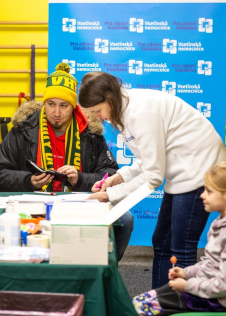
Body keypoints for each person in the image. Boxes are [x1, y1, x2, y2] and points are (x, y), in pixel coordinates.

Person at [78, 71, 226, 288]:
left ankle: (180, 307)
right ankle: (159, 301)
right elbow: (149, 157)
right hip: (183, 170)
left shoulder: (141, 112)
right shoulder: (124, 109)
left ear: (109, 99)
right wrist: (119, 177)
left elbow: (153, 177)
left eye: (98, 110)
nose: (98, 116)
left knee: (181, 248)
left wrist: (110, 195)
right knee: (162, 242)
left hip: (198, 171)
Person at [0, 63, 133, 261]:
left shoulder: (91, 134)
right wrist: (28, 181)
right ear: (44, 104)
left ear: (73, 106)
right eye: (51, 104)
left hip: (79, 202)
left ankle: (104, 272)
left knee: (125, 220)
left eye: (63, 105)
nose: (56, 112)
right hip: (33, 202)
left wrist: (79, 179)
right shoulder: (23, 130)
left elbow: (109, 173)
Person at [133, 162, 226, 316]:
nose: (202, 195)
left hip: (217, 300)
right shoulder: (218, 223)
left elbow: (222, 285)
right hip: (206, 289)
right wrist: (186, 272)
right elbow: (211, 265)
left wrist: (187, 285)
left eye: (209, 191)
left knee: (145, 307)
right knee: (140, 301)